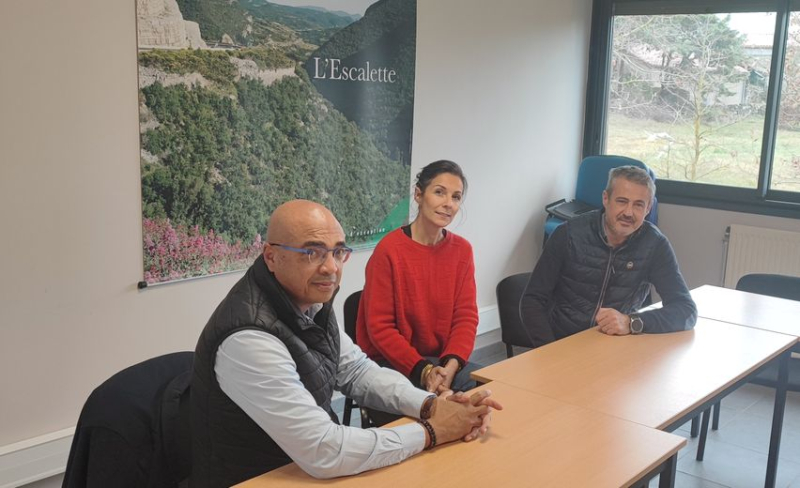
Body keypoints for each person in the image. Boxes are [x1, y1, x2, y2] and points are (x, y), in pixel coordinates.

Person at [190, 200, 501, 488]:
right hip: (261, 476)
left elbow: (355, 370)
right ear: (272, 256)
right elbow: (323, 451)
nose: (331, 268)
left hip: (301, 465)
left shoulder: (307, 298)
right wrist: (434, 430)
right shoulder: (248, 338)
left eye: (338, 252)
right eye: (312, 253)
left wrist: (430, 405)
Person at [520, 165, 697, 347]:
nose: (628, 212)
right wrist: (549, 351)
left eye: (638, 205)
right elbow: (532, 301)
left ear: (648, 208)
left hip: (614, 347)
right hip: (562, 342)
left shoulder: (654, 245)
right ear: (606, 199)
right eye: (622, 201)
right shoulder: (569, 234)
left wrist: (631, 322)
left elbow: (685, 310)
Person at [357, 160, 480, 396]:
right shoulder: (389, 251)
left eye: (455, 197)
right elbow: (380, 328)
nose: (448, 204)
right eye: (439, 192)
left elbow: (466, 317)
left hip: (442, 363)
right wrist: (425, 371)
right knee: (443, 412)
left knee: (490, 391)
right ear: (418, 194)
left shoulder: (462, 251)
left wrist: (449, 368)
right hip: (392, 363)